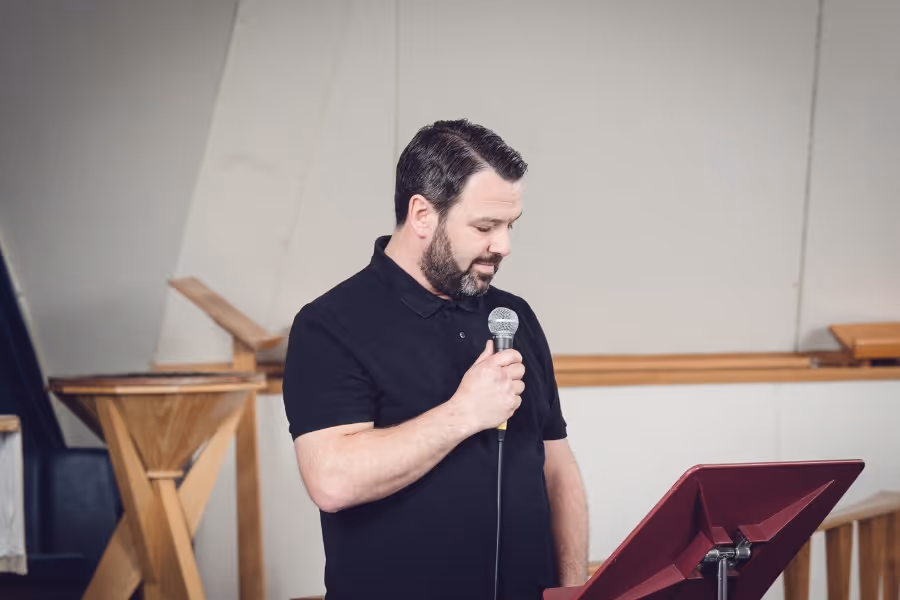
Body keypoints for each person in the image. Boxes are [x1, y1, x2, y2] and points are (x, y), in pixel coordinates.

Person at [282, 119, 588, 600]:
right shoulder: (329, 325)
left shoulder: (514, 317)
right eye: (485, 226)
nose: (504, 245)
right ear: (422, 214)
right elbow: (332, 481)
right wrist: (463, 413)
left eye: (510, 226)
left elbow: (556, 465)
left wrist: (574, 590)